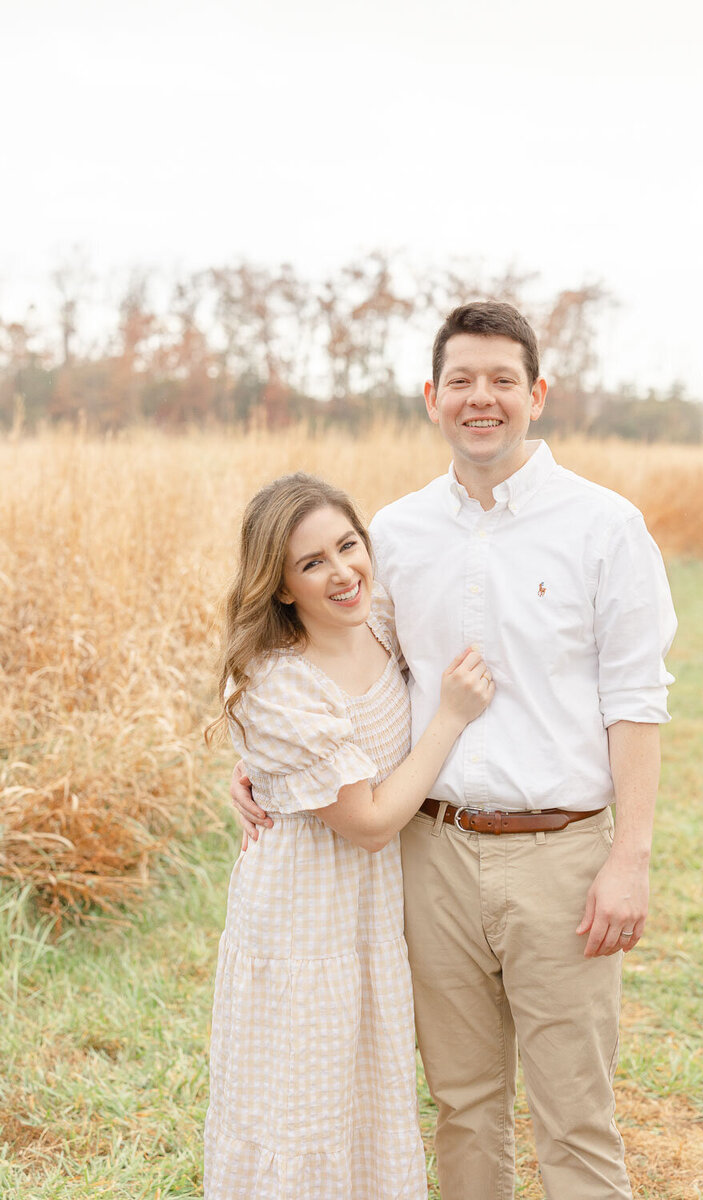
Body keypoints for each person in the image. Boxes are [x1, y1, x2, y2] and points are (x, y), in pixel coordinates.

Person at [232, 302, 677, 1200]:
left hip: (561, 854)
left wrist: (629, 860)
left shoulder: (604, 527)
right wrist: (264, 766)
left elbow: (636, 700)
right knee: (463, 1107)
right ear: (433, 398)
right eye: (462, 382)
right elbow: (333, 655)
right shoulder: (393, 534)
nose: (483, 399)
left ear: (537, 394)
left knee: (576, 1115)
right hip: (427, 853)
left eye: (503, 380)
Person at [204, 472, 494, 1200]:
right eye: (312, 563)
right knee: (299, 1112)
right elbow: (366, 822)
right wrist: (451, 718)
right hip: (304, 920)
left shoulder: (380, 622)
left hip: (371, 914)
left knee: (366, 1100)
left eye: (347, 545)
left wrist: (255, 770)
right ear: (280, 586)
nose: (341, 572)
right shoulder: (276, 681)